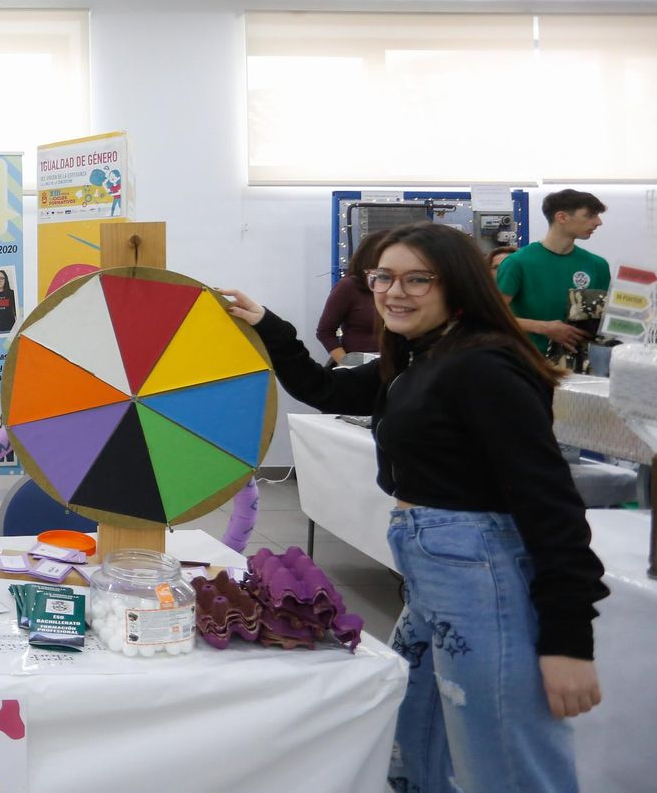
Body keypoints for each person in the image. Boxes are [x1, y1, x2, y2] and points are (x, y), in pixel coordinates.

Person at [219, 222, 605, 793]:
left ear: (458, 285)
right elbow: (325, 391)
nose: (394, 292)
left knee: (503, 754)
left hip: (478, 568)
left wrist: (568, 642)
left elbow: (551, 505)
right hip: (431, 566)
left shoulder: (484, 366)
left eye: (418, 279)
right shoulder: (419, 357)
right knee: (415, 741)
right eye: (383, 277)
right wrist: (267, 325)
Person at [496, 189, 610, 355]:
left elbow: (604, 319)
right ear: (562, 217)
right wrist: (543, 327)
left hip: (580, 368)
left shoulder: (597, 265)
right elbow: (492, 316)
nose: (598, 222)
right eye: (590, 215)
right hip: (529, 363)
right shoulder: (518, 263)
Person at [315, 229, 387, 363]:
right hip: (357, 362)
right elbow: (325, 332)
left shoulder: (397, 288)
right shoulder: (348, 286)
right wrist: (348, 364)